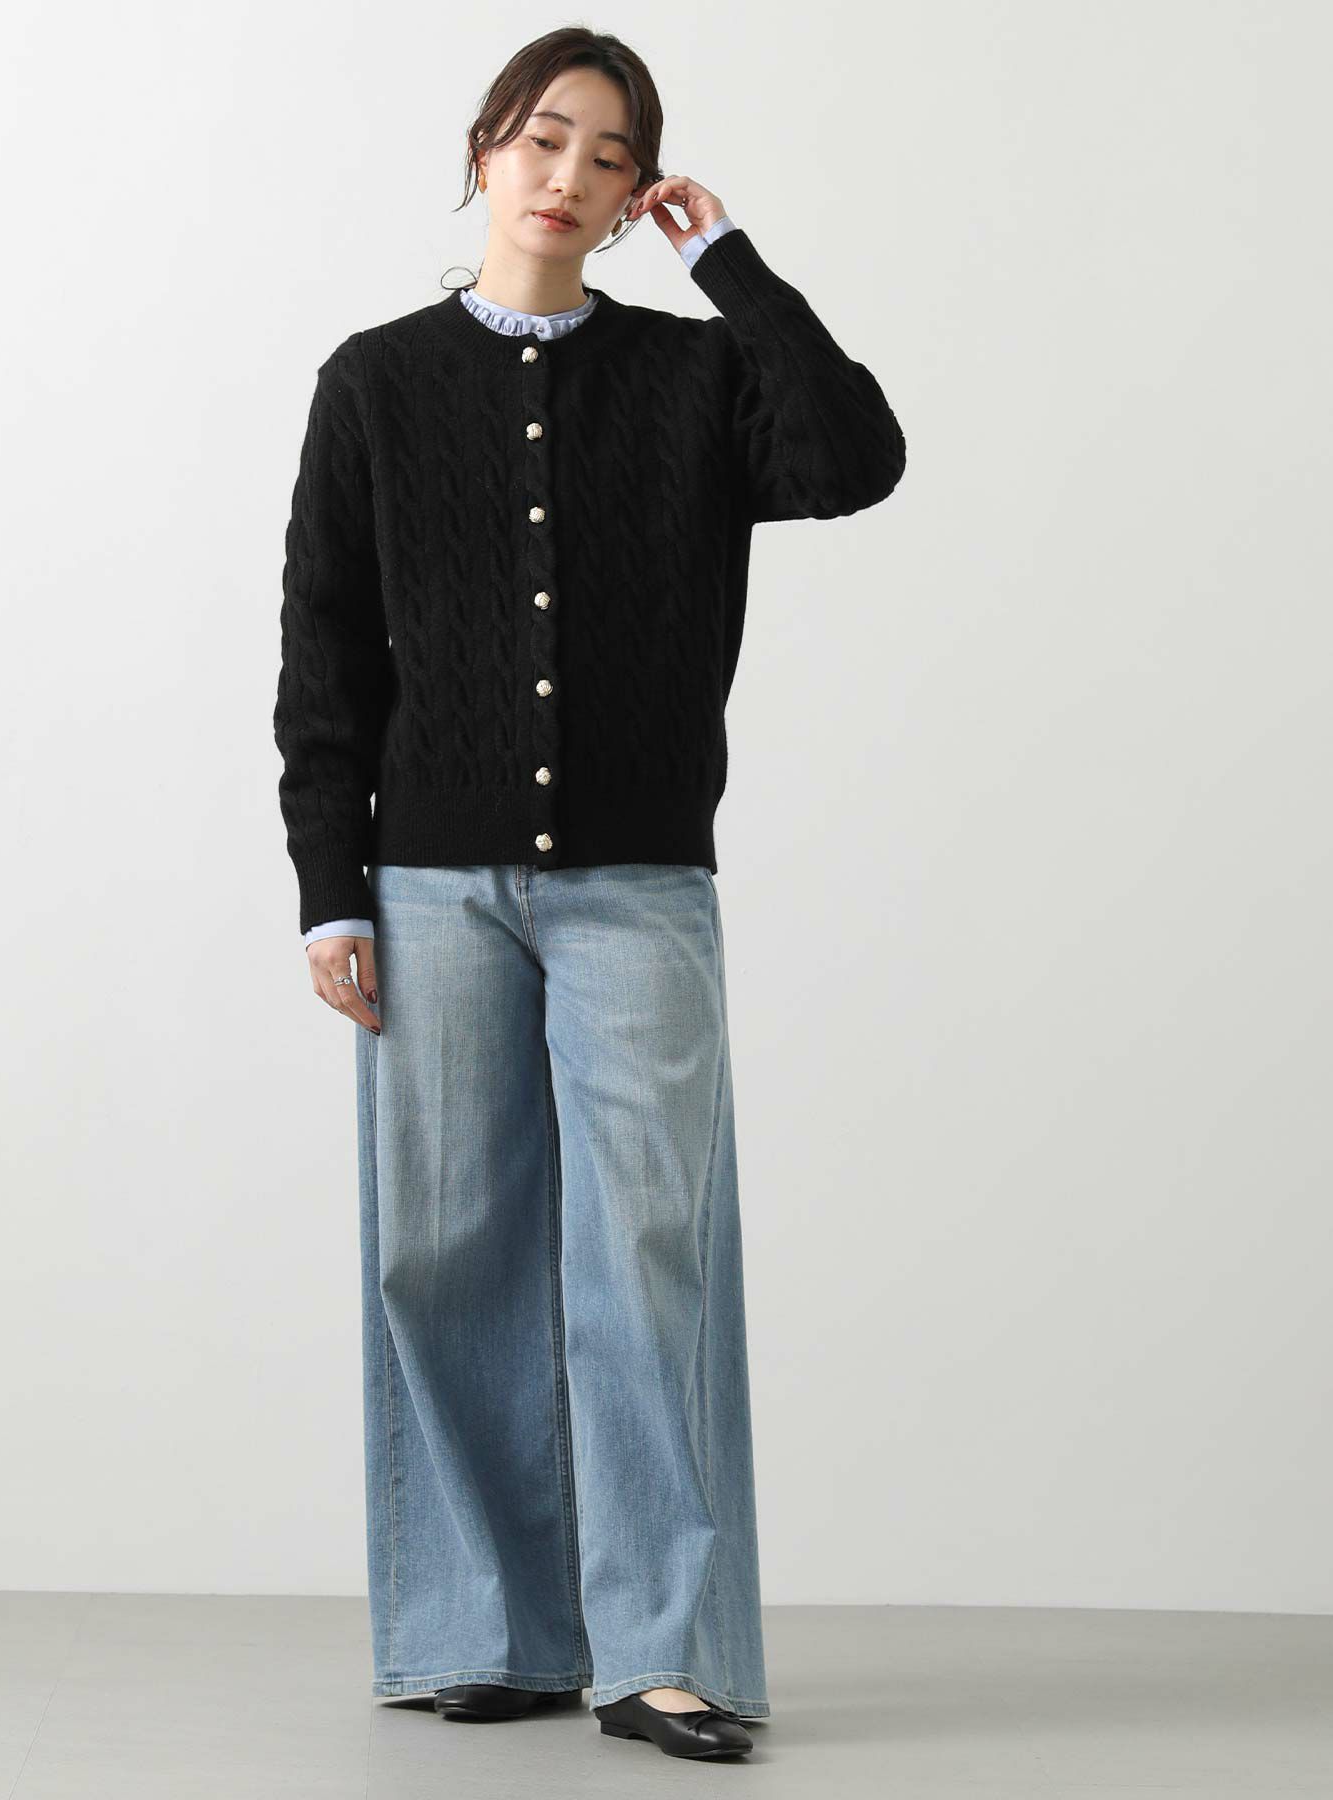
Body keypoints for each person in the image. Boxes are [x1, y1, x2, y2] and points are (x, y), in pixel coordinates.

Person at [274, 26, 906, 1764]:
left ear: (638, 198)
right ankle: (488, 1629)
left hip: (637, 886)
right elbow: (326, 649)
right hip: (427, 884)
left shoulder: (695, 378)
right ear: (486, 147)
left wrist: (735, 266)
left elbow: (855, 458)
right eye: (544, 136)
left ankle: (664, 1651)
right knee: (444, 1254)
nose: (568, 174)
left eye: (610, 156)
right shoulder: (376, 384)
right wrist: (331, 888)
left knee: (648, 1254)